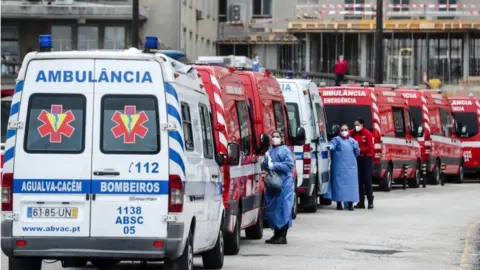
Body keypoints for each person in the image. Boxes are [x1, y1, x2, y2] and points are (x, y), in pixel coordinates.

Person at [262, 131, 295, 244]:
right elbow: (266, 165)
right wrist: (265, 162)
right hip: (272, 184)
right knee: (273, 209)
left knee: (283, 208)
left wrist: (274, 165)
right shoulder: (270, 151)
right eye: (273, 137)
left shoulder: (285, 150)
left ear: (281, 139)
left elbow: (289, 165)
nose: (275, 138)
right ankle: (276, 234)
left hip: (284, 183)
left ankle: (282, 236)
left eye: (277, 137)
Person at [326, 124, 360, 211]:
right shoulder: (336, 139)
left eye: (346, 129)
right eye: (342, 130)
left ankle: (350, 204)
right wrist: (330, 147)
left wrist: (357, 147)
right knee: (339, 185)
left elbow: (357, 153)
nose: (344, 131)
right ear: (339, 131)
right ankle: (339, 203)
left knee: (351, 186)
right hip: (339, 168)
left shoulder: (352, 141)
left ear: (348, 130)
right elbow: (332, 145)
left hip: (350, 168)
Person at [350, 117, 375, 209]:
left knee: (367, 181)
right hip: (357, 159)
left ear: (362, 124)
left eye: (358, 125)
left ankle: (370, 201)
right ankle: (360, 202)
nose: (356, 126)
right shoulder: (352, 133)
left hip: (366, 158)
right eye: (355, 125)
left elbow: (370, 148)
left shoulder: (367, 133)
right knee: (359, 181)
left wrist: (359, 150)